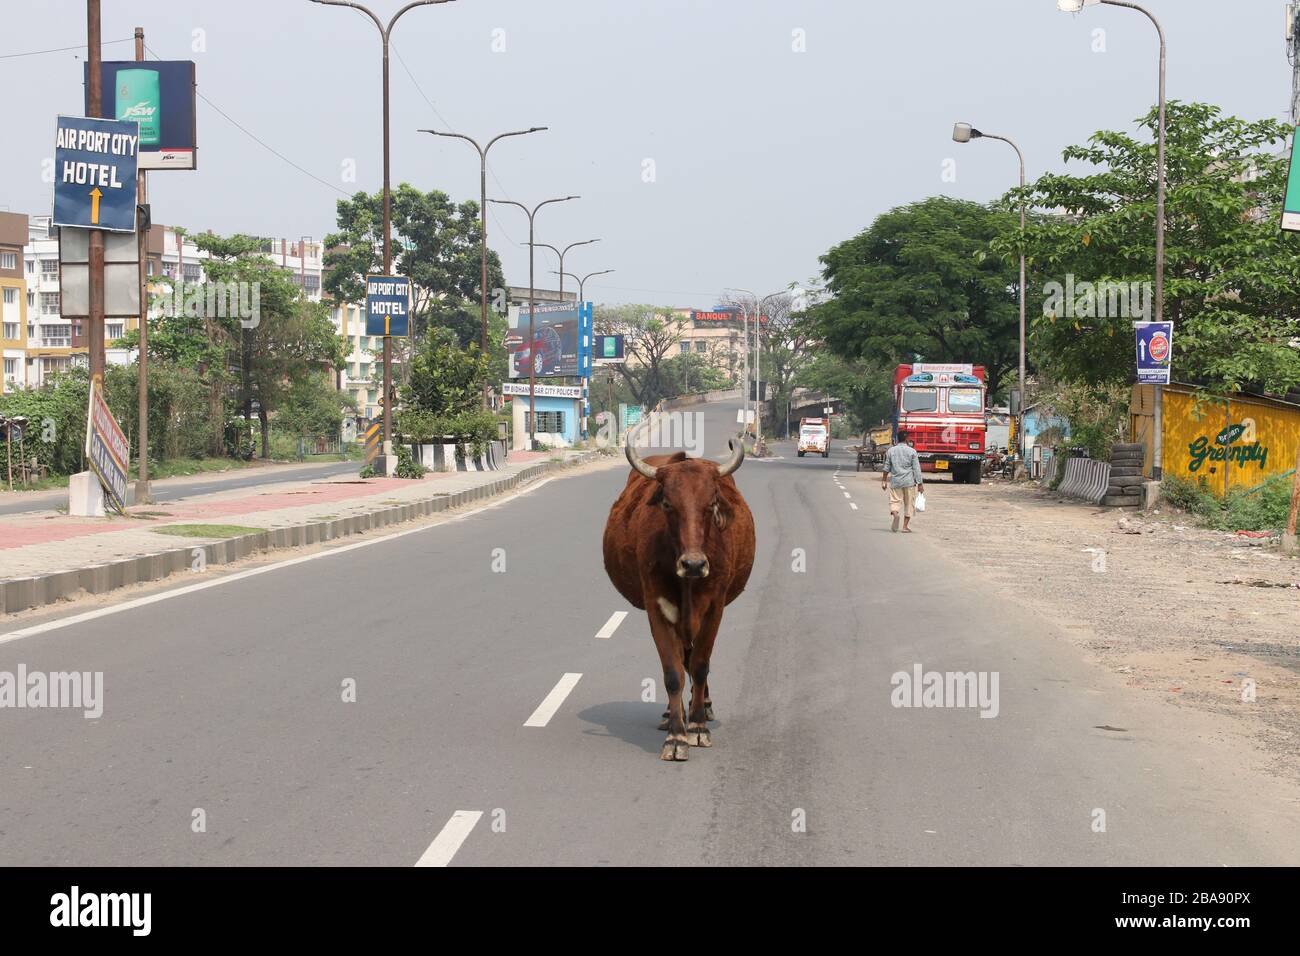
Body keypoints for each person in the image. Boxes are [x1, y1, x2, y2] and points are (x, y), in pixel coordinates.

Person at [881, 429, 924, 533]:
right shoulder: (912, 451)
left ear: (897, 439)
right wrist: (920, 484)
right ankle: (905, 527)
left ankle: (895, 514)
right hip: (909, 482)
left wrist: (884, 481)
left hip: (896, 481)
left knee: (895, 501)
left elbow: (886, 467)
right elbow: (916, 469)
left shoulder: (891, 451)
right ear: (907, 439)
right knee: (909, 504)